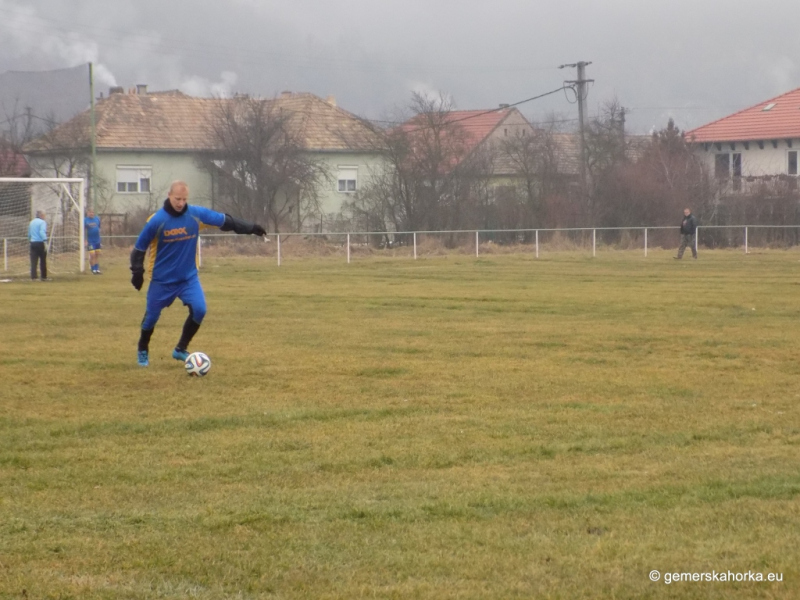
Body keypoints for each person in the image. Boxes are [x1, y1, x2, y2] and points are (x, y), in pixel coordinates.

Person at [130, 180, 266, 367]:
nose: (181, 203)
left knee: (200, 310)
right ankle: (143, 348)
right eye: (177, 199)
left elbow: (225, 221)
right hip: (161, 281)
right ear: (169, 196)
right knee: (151, 318)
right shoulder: (156, 221)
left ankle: (180, 349)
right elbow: (139, 248)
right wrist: (137, 272)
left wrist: (250, 227)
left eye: (184, 199)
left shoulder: (196, 215)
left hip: (188, 279)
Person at [28, 210, 49, 280]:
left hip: (33, 243)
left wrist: (29, 240)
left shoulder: (31, 222)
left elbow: (29, 233)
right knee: (43, 260)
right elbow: (42, 232)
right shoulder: (42, 222)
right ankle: (43, 276)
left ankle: (33, 276)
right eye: (44, 215)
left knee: (33, 261)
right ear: (41, 215)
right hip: (40, 243)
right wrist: (45, 240)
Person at [84, 209, 102, 274]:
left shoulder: (97, 219)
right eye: (90, 212)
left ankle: (97, 269)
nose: (91, 213)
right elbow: (83, 230)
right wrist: (85, 239)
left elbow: (99, 227)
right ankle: (93, 269)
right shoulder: (85, 220)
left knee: (97, 255)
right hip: (90, 241)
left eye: (92, 212)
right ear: (87, 213)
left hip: (97, 240)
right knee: (92, 255)